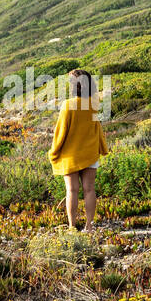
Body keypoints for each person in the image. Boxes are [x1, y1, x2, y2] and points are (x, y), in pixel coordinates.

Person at [48, 68, 109, 232]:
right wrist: (102, 147)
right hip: (90, 152)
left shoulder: (68, 105)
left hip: (71, 155)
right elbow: (97, 128)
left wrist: (53, 152)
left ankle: (72, 227)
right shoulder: (93, 104)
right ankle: (89, 226)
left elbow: (61, 131)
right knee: (89, 189)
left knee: (72, 190)